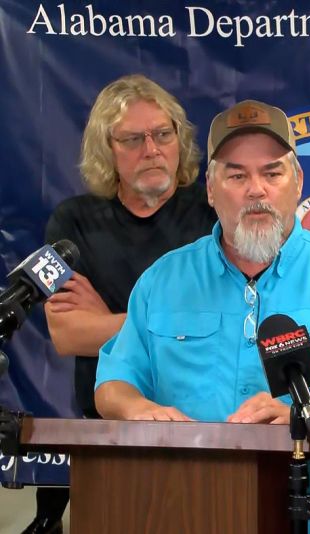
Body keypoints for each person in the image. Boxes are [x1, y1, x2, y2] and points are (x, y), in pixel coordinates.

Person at [94, 99, 310, 533]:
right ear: (211, 191)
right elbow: (112, 384)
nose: (256, 190)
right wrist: (140, 409)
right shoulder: (161, 280)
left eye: (272, 173)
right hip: (182, 510)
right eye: (237, 175)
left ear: (298, 183)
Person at [22, 74, 218, 534]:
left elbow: (224, 324)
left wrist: (107, 322)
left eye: (163, 134)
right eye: (133, 139)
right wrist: (176, 326)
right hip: (108, 428)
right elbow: (68, 334)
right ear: (106, 149)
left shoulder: (212, 212)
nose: (151, 149)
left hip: (205, 427)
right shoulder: (72, 222)